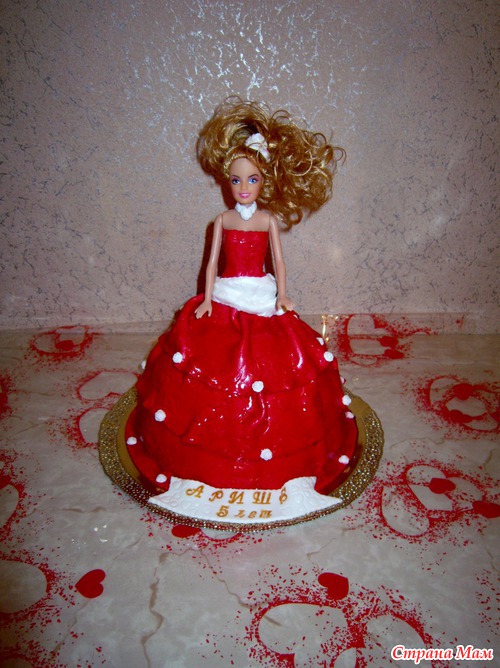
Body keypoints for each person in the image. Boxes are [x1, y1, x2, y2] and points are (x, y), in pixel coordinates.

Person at [126, 98, 357, 521]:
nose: (244, 188)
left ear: (265, 180)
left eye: (252, 179)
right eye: (236, 180)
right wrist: (207, 298)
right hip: (228, 293)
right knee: (207, 360)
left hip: (261, 295)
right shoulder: (222, 220)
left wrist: (283, 295)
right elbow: (212, 263)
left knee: (281, 358)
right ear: (226, 182)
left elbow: (278, 261)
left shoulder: (267, 220)